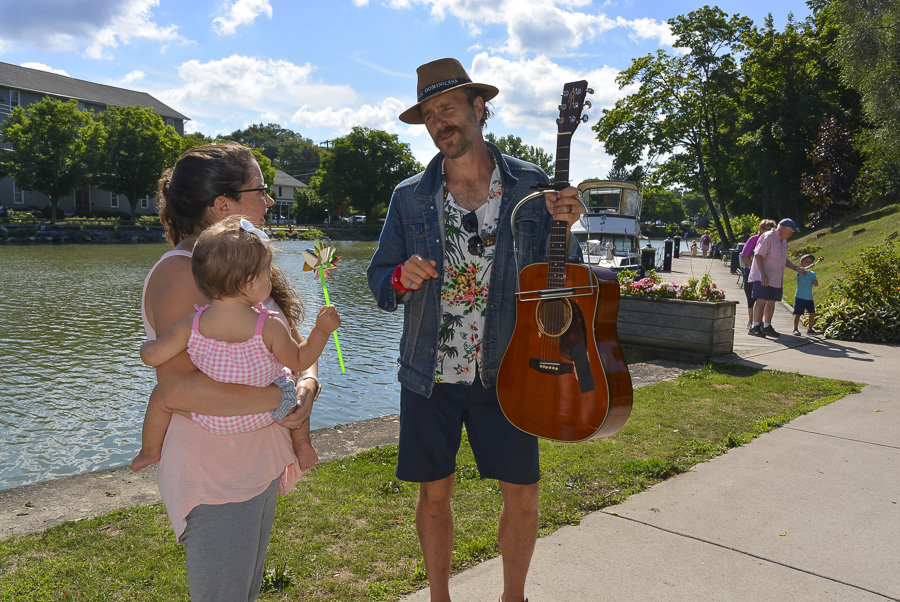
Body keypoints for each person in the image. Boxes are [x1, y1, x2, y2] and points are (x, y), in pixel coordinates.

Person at [366, 58, 584, 602]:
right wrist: (400, 276)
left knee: (523, 495)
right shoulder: (409, 195)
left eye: (448, 108)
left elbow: (565, 278)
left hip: (508, 370)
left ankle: (514, 598)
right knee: (434, 496)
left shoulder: (531, 186)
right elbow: (379, 279)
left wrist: (567, 226)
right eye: (429, 115)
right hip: (429, 372)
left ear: (479, 108)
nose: (440, 122)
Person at [142, 143, 322, 601]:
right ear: (222, 205)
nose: (270, 200)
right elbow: (178, 389)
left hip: (254, 461)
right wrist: (281, 397)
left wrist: (307, 382)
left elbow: (291, 344)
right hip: (216, 473)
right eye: (260, 190)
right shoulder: (181, 273)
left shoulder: (241, 263)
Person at [133, 215, 340, 473]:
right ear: (250, 284)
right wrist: (321, 331)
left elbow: (153, 356)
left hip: (211, 418)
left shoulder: (191, 324)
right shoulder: (269, 326)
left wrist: (146, 349)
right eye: (267, 276)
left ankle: (149, 450)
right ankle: (303, 444)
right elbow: (301, 359)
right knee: (289, 382)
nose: (270, 281)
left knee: (159, 397)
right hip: (267, 413)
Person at [747, 218, 807, 338]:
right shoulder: (768, 236)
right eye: (791, 231)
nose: (791, 234)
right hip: (763, 276)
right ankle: (755, 326)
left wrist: (796, 268)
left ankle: (767, 326)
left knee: (772, 301)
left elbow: (783, 259)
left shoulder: (783, 241)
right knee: (761, 300)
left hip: (776, 278)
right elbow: (758, 255)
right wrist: (763, 274)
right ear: (783, 228)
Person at [741, 219, 776, 328]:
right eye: (768, 230)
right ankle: (751, 321)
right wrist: (754, 267)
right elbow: (744, 255)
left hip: (767, 273)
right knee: (751, 297)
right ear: (761, 229)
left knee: (764, 298)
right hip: (751, 273)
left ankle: (760, 322)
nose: (771, 232)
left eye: (773, 230)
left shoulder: (774, 240)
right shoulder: (754, 239)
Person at [792, 254, 819, 336]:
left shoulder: (812, 273)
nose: (808, 263)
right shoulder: (800, 272)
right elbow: (804, 271)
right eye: (806, 261)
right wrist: (809, 266)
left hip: (809, 297)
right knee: (798, 314)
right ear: (801, 263)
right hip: (800, 297)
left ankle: (810, 329)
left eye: (810, 262)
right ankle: (795, 329)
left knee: (812, 313)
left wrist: (815, 282)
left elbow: (815, 283)